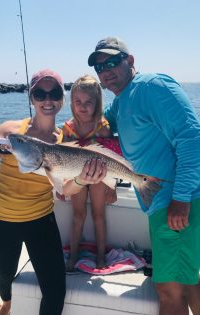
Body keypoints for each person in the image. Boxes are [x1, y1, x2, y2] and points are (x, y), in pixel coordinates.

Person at [87, 36, 200, 315]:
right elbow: (97, 121)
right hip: (160, 203)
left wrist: (181, 199)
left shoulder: (152, 87)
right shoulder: (121, 102)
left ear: (130, 61)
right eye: (100, 68)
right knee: (186, 279)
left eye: (112, 62)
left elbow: (192, 138)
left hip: (177, 202)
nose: (106, 71)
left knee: (167, 288)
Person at [0, 69, 67, 315]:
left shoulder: (67, 140)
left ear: (62, 98)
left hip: (41, 220)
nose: (47, 100)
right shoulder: (10, 131)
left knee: (56, 290)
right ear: (31, 98)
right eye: (40, 94)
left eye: (54, 93)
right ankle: (7, 304)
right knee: (4, 275)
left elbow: (67, 189)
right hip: (1, 220)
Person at [62, 75, 112, 271]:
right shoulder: (67, 128)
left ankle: (100, 256)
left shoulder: (103, 127)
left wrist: (110, 186)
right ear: (72, 103)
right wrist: (62, 183)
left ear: (97, 103)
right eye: (78, 102)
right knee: (78, 214)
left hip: (99, 176)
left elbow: (111, 160)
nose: (83, 107)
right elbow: (63, 158)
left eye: (88, 102)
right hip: (76, 176)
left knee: (99, 214)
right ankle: (73, 255)